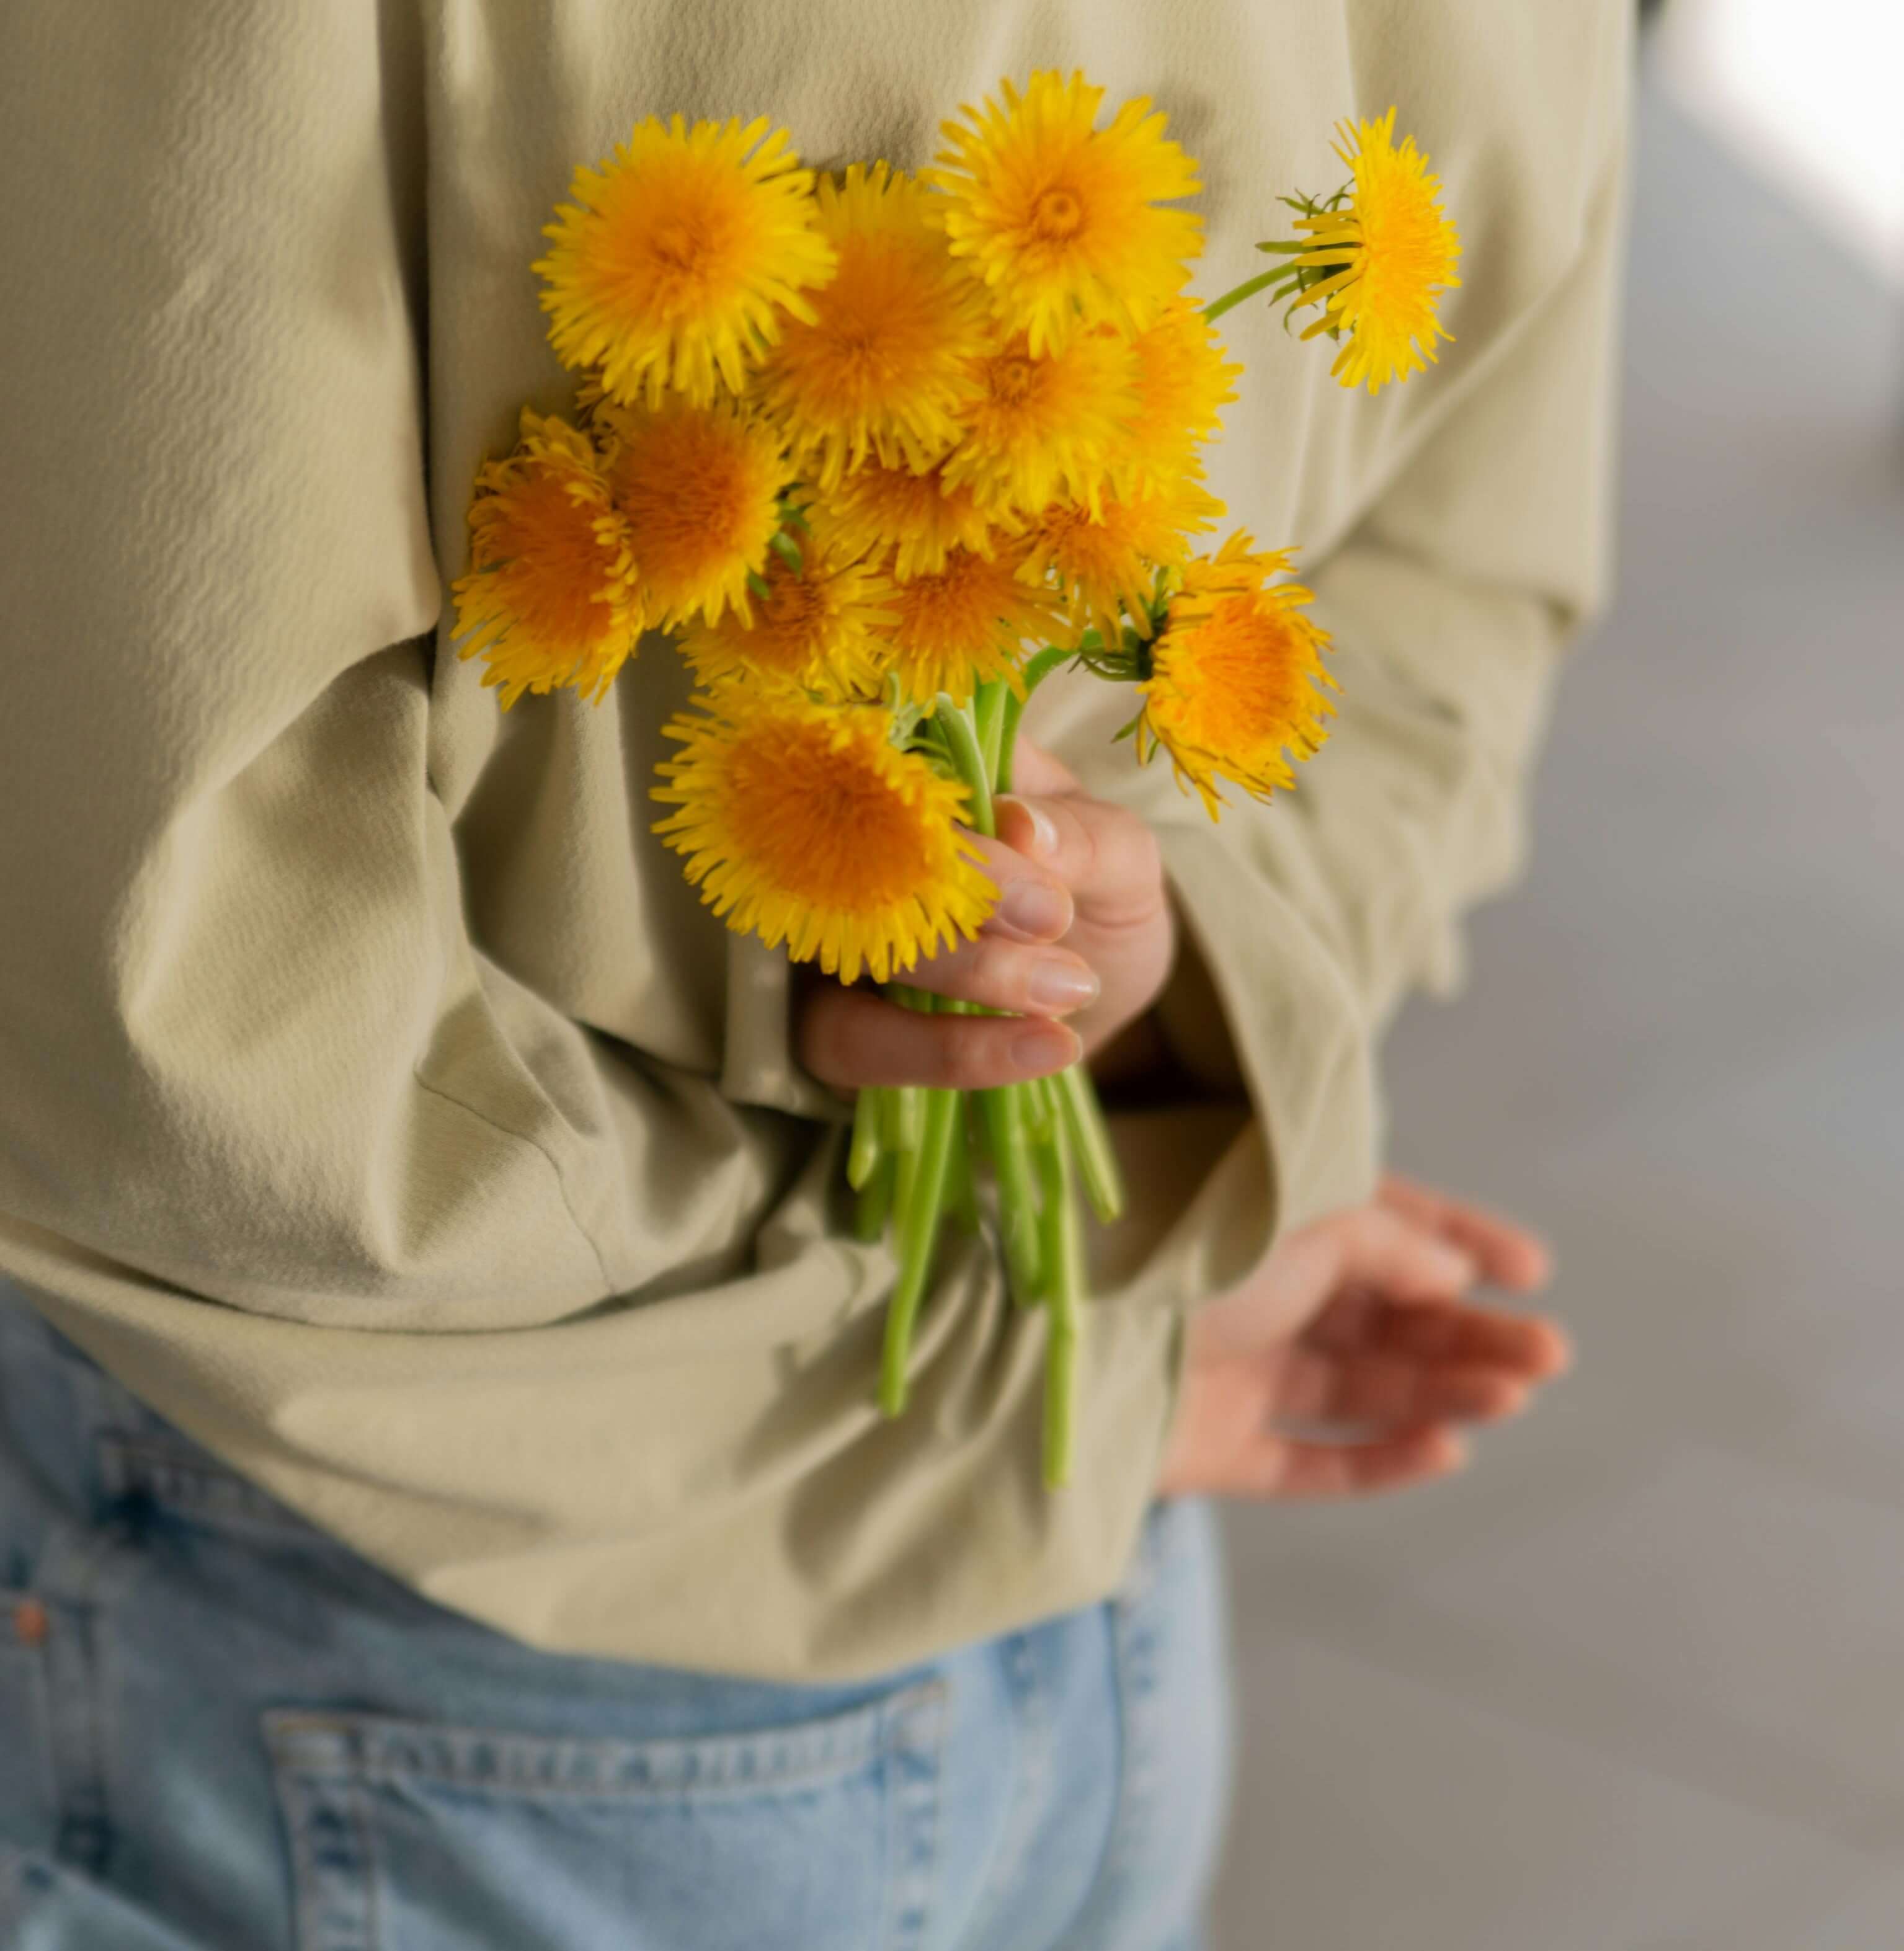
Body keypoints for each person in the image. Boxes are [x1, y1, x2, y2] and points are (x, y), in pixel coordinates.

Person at [0, 1, 1632, 1945]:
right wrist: (1135, 1172)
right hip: (1040, 1598)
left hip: (436, 1650)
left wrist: (1114, 1078)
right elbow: (1455, 592)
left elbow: (168, 980)